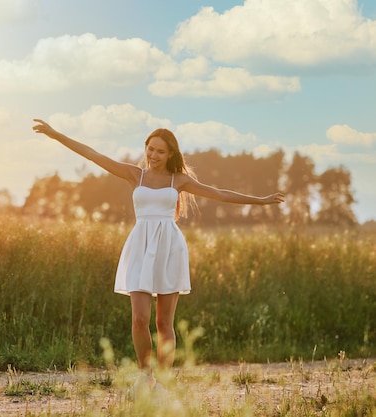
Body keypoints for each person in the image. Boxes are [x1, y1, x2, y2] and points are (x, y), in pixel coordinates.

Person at [32, 118, 285, 391]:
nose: (153, 155)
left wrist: (260, 201)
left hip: (169, 248)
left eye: (160, 151)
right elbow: (93, 155)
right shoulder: (134, 175)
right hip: (140, 245)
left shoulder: (180, 180)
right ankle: (146, 376)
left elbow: (220, 194)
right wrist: (56, 134)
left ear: (171, 155)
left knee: (164, 322)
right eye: (150, 149)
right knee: (139, 319)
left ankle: (162, 382)